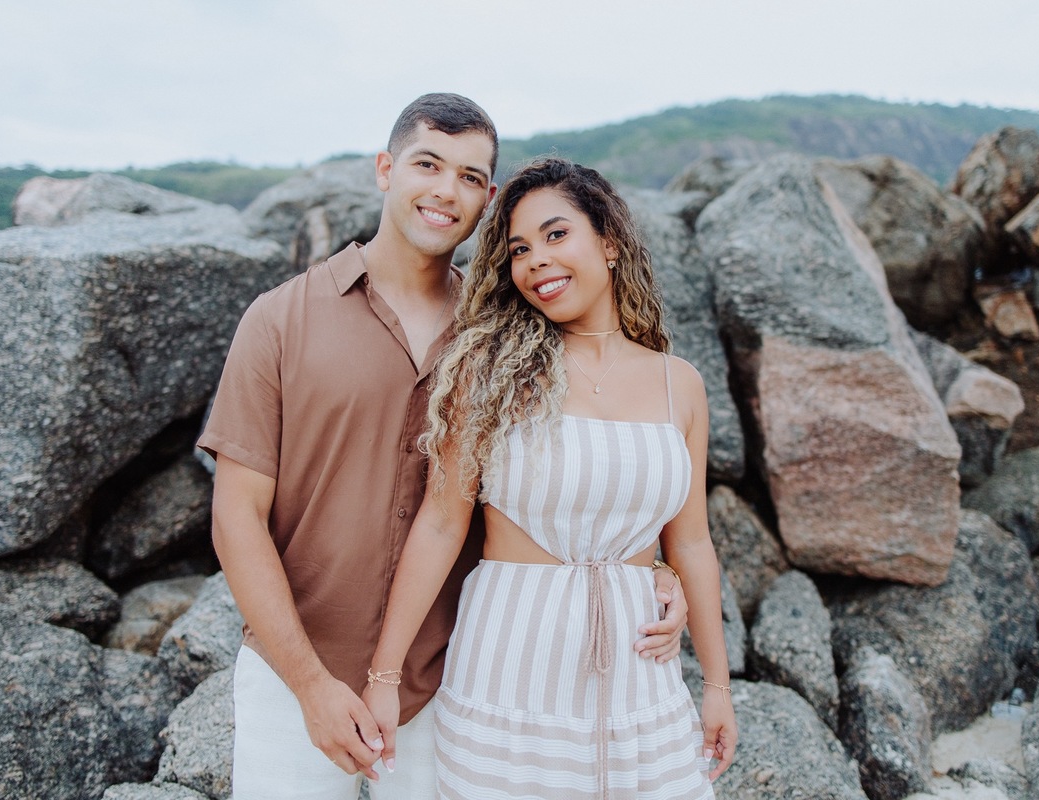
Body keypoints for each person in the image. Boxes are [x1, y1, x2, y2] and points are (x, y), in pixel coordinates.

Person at [198, 94, 690, 800]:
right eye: (427, 164)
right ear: (385, 169)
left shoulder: (513, 338)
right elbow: (234, 518)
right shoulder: (279, 319)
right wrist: (308, 684)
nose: (445, 191)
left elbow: (589, 470)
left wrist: (655, 568)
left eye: (469, 177)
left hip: (448, 680)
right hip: (292, 677)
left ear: (489, 199)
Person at [365, 157, 738, 798]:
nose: (536, 260)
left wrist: (717, 686)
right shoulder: (488, 372)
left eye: (556, 235)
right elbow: (440, 525)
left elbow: (692, 543)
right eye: (519, 250)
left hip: (642, 678)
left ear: (609, 242)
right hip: (509, 670)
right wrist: (384, 676)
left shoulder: (680, 385)